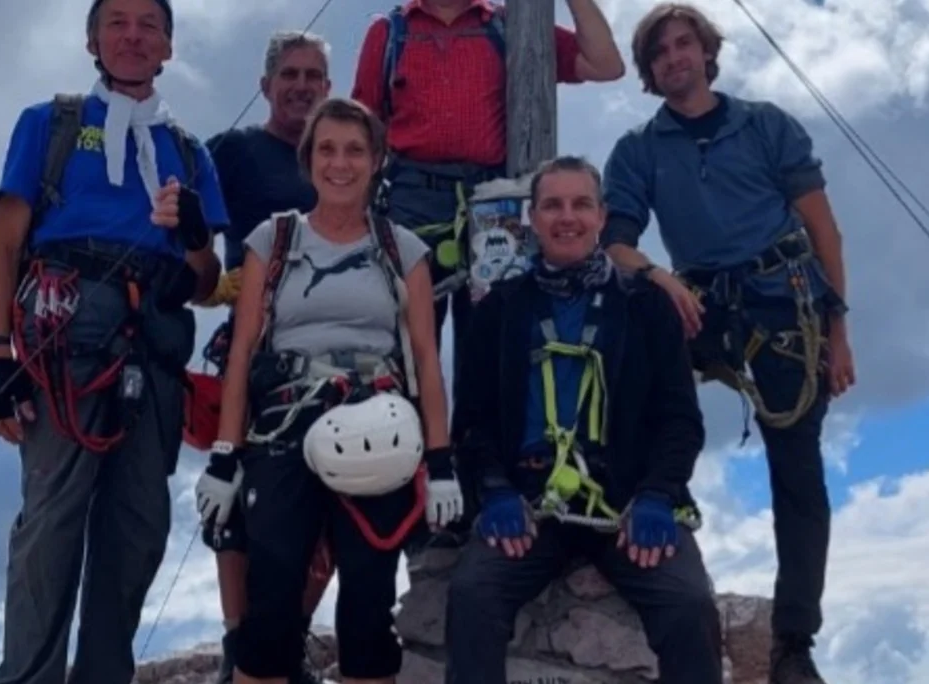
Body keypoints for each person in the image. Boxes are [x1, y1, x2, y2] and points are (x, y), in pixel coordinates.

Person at [600, 4, 856, 682]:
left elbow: (824, 230)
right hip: (701, 301)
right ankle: (621, 525)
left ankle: (792, 646)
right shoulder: (639, 149)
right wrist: (661, 278)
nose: (675, 58)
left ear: (706, 52)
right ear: (651, 70)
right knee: (623, 356)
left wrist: (839, 330)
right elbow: (614, 243)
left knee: (797, 468)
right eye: (661, 52)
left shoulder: (766, 125)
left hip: (784, 302)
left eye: (685, 44)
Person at [0, 1, 226, 683]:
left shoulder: (191, 151)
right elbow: (2, 245)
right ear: (92, 39)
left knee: (139, 530)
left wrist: (197, 235)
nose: (133, 35)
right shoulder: (49, 124)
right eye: (117, 22)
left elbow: (206, 283)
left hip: (154, 351)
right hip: (64, 343)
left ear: (169, 46)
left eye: (149, 24)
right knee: (51, 528)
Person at [193, 97, 464, 684]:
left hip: (380, 428)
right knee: (269, 609)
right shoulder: (275, 240)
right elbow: (242, 351)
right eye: (326, 149)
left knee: (367, 610)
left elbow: (424, 358)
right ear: (308, 159)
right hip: (285, 429)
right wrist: (224, 455)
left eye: (355, 150)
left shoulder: (403, 249)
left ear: (377, 161)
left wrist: (440, 463)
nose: (340, 164)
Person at [444, 155, 721, 684]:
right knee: (473, 596)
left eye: (580, 204)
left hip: (625, 500)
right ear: (531, 219)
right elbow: (473, 420)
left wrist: (660, 495)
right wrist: (494, 490)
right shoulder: (499, 309)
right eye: (552, 205)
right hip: (528, 498)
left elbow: (680, 418)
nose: (565, 217)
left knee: (687, 605)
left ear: (601, 215)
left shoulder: (645, 305)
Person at [350, 0, 626, 391]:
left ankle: (479, 447)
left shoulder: (509, 23)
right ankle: (412, 446)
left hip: (494, 204)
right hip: (413, 200)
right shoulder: (389, 32)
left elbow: (605, 65)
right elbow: (362, 132)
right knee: (402, 342)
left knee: (493, 339)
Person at [197, 29, 332, 684]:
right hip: (255, 345)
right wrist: (207, 284)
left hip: (338, 351)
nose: (302, 86)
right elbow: (190, 234)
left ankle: (288, 636)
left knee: (342, 492)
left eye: (314, 76)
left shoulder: (343, 156)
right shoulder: (232, 152)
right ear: (266, 87)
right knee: (238, 501)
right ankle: (237, 643)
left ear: (329, 89)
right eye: (290, 75)